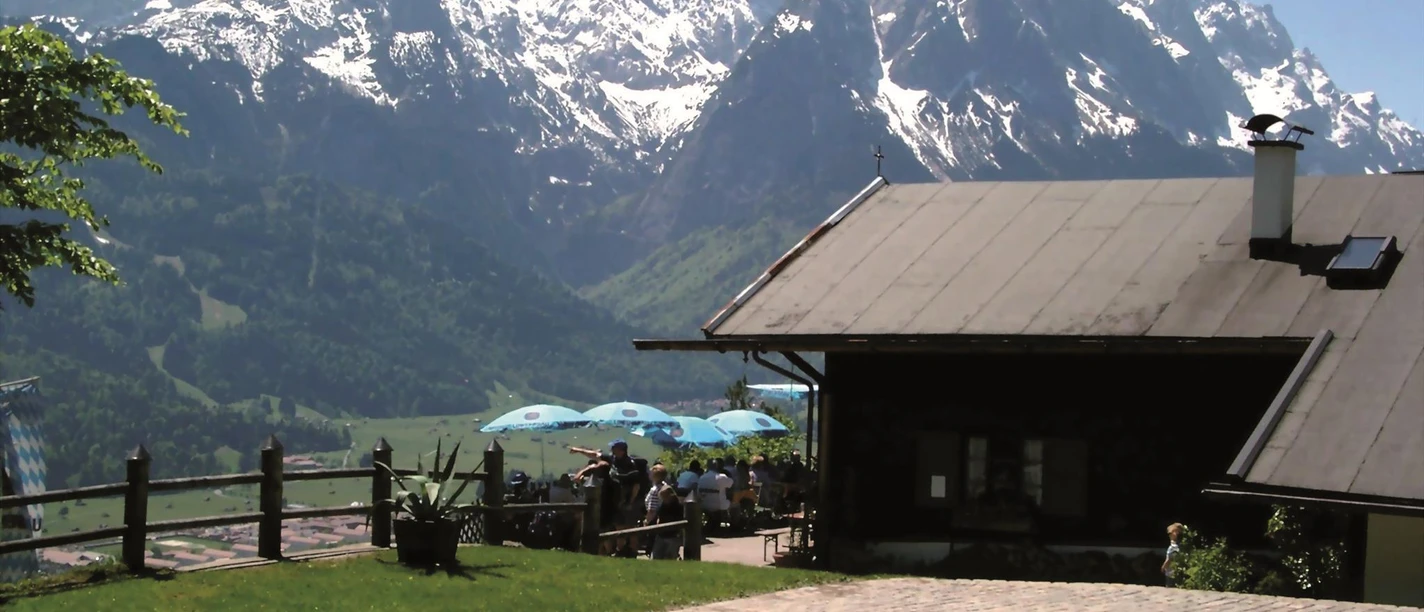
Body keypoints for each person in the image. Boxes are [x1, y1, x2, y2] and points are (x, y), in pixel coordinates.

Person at [697, 458, 734, 533]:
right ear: (717, 466)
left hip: (704, 505)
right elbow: (731, 484)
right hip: (719, 505)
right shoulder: (722, 476)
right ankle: (734, 526)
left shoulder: (702, 477)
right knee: (736, 505)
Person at [650, 485, 684, 560]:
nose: (663, 499)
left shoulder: (678, 507)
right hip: (661, 535)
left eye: (665, 497)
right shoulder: (663, 506)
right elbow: (658, 516)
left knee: (670, 557)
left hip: (673, 536)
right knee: (656, 556)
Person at [1162, 522, 1185, 587]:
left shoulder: (1173, 547)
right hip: (1179, 571)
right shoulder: (1182, 546)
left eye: (1170, 533)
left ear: (1175, 533)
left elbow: (1169, 559)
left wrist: (1163, 567)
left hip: (1170, 572)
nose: (1169, 535)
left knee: (1170, 587)